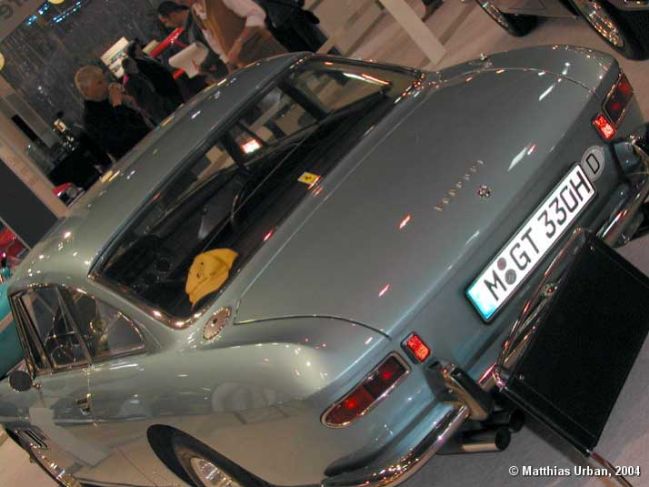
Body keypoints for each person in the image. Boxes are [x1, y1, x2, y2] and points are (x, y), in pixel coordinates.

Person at [74, 66, 150, 160]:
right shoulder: (91, 118)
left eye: (104, 80)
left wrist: (130, 104)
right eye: (99, 83)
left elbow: (139, 121)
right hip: (135, 158)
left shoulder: (109, 100)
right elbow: (121, 139)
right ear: (86, 90)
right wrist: (117, 104)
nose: (106, 85)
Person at [198, 0, 287, 69]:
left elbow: (256, 14)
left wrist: (239, 43)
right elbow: (214, 41)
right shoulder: (197, 11)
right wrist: (228, 61)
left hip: (264, 50)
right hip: (245, 64)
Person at [157, 1, 228, 80]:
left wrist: (204, 66)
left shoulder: (196, 21)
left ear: (173, 15)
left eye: (166, 22)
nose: (167, 26)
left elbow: (214, 46)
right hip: (218, 68)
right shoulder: (189, 27)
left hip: (224, 67)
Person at [254, 0, 336, 54]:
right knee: (313, 44)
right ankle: (333, 66)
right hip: (287, 17)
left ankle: (334, 66)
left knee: (313, 44)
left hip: (286, 18)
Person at [127, 41, 185, 107]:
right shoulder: (139, 64)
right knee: (176, 101)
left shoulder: (145, 56)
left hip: (167, 79)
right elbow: (151, 74)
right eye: (138, 48)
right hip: (162, 84)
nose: (140, 49)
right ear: (135, 52)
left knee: (178, 96)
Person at [122, 57, 175, 125]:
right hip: (151, 106)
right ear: (128, 68)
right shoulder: (129, 83)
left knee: (170, 113)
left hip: (157, 97)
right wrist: (145, 109)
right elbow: (135, 98)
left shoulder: (139, 73)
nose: (135, 64)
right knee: (164, 121)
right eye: (132, 64)